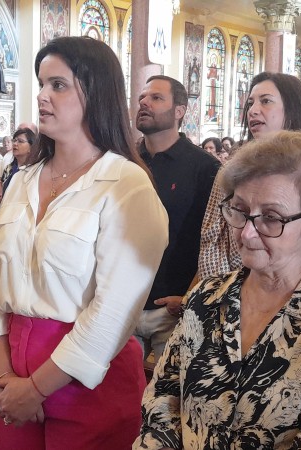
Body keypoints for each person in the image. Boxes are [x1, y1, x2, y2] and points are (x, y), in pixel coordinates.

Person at [136, 131, 301, 449]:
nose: (247, 233)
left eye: (271, 218)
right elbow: (162, 404)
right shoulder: (205, 298)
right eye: (240, 210)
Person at [0, 36, 168, 449]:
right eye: (41, 84)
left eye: (58, 85)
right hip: (12, 372)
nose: (42, 96)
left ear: (95, 93)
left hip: (85, 380)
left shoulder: (125, 184)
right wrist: (3, 376)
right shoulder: (22, 180)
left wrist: (36, 388)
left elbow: (113, 311)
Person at [133, 75, 220, 363]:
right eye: (142, 97)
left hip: (172, 307)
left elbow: (212, 239)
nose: (144, 102)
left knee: (169, 388)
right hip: (125, 301)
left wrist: (189, 296)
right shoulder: (125, 161)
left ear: (179, 111)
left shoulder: (204, 167)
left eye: (156, 98)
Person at [199, 72, 301, 280]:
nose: (253, 111)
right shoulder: (233, 169)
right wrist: (223, 290)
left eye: (265, 101)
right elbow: (212, 239)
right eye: (250, 103)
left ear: (292, 108)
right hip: (234, 282)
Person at [0, 128, 34, 193]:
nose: (15, 143)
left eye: (20, 141)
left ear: (31, 147)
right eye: (14, 140)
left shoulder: (33, 170)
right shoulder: (9, 168)